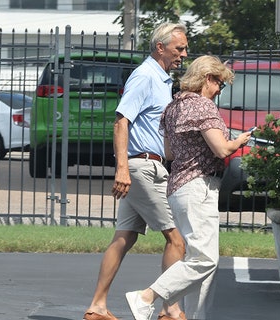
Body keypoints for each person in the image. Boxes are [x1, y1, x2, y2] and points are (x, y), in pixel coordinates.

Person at [124, 55, 252, 320]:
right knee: (205, 260)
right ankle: (147, 296)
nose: (219, 91)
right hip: (199, 187)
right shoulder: (203, 106)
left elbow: (169, 153)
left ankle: (197, 315)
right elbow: (221, 149)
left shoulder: (172, 107)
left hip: (178, 187)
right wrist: (239, 140)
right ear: (208, 78)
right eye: (220, 84)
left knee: (199, 260)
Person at [83, 22, 189, 320]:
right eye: (179, 48)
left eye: (184, 49)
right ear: (160, 47)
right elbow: (121, 121)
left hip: (147, 165)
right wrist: (122, 170)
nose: (183, 54)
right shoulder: (144, 76)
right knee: (176, 239)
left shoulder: (162, 79)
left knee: (123, 238)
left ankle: (97, 306)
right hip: (142, 168)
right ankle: (170, 310)